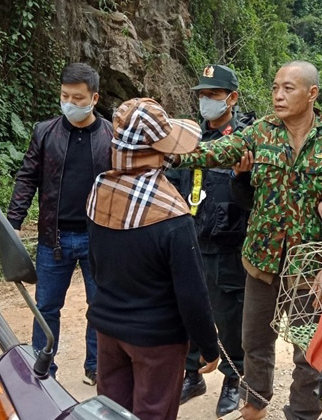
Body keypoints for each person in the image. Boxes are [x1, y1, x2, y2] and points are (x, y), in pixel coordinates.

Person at [175, 61, 322, 420]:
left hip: (309, 267)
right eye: (274, 88)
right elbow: (217, 152)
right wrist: (169, 153)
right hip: (262, 262)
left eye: (288, 88)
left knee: (309, 349)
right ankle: (255, 402)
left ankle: (302, 413)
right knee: (254, 343)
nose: (278, 95)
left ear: (312, 93)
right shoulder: (259, 132)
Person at [85, 97, 219, 420]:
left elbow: (97, 266)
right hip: (157, 342)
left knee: (111, 413)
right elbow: (192, 294)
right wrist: (209, 346)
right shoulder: (173, 216)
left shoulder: (99, 191)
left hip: (107, 331)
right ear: (157, 153)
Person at [7, 63, 112, 384]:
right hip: (54, 238)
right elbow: (27, 177)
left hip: (98, 237)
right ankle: (44, 368)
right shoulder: (45, 132)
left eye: (77, 98)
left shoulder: (111, 135)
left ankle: (96, 366)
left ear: (94, 98)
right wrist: (13, 221)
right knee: (47, 306)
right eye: (65, 95)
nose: (69, 103)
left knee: (100, 306)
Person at [166, 64, 255, 416]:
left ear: (231, 98)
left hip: (228, 241)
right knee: (186, 308)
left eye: (214, 95)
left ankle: (234, 377)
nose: (206, 101)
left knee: (229, 314)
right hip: (189, 236)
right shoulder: (188, 138)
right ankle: (192, 373)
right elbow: (172, 182)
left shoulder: (244, 140)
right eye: (202, 95)